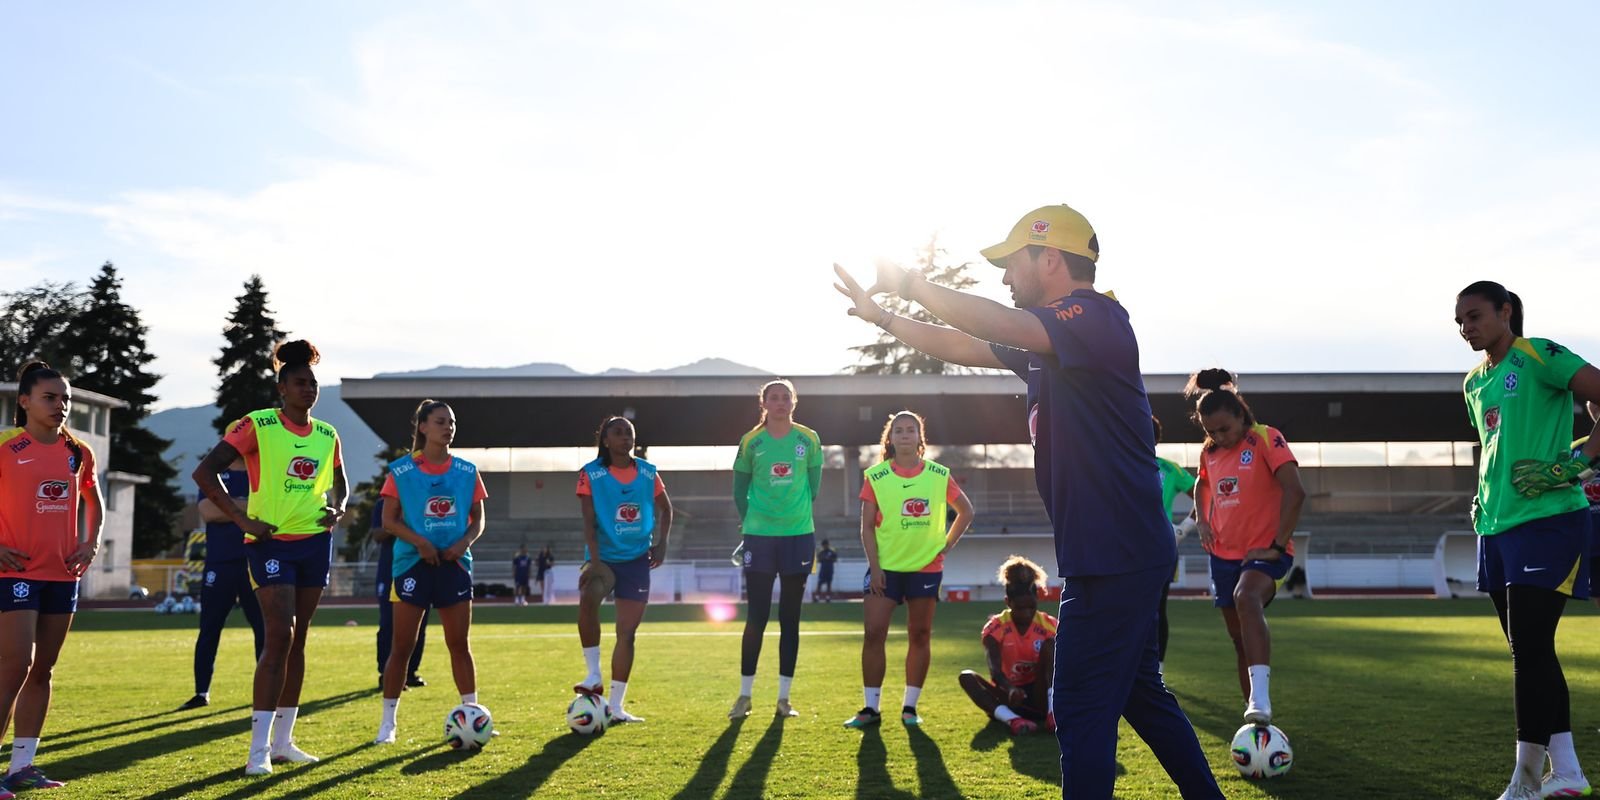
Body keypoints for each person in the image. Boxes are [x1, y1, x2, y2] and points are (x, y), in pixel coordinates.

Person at [834, 204, 1223, 799]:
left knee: (1078, 701)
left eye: (1012, 262)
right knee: (1141, 695)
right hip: (1113, 551)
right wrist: (884, 315)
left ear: (1050, 259)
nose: (1004, 276)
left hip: (1116, 552)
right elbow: (963, 344)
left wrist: (912, 283)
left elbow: (998, 324)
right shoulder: (1053, 347)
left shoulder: (1096, 318)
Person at [1454, 281, 1600, 800]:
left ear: (1505, 311)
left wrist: (1576, 464)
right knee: (1530, 650)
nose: (1466, 328)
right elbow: (1497, 448)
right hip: (1494, 527)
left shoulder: (1540, 354)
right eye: (1460, 322)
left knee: (1530, 651)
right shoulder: (1474, 383)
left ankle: (1524, 780)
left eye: (1474, 316)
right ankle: (1568, 771)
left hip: (1549, 520)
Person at [193, 340, 347, 776]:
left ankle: (284, 743)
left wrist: (339, 506)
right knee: (279, 635)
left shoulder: (326, 434)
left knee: (298, 640)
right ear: (282, 388)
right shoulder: (256, 425)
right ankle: (257, 750)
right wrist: (242, 519)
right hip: (270, 544)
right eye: (299, 383)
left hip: (316, 543)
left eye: (313, 384)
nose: (308, 390)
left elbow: (341, 481)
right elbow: (205, 473)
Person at [0, 362, 103, 793]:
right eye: (50, 397)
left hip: (62, 576)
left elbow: (93, 501)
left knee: (43, 669)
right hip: (14, 573)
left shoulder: (78, 451)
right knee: (15, 667)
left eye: (66, 399)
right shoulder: (6, 447)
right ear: (24, 401)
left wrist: (90, 543)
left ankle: (22, 766)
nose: (60, 406)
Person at [1186, 370, 1305, 726]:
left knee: (1247, 598)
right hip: (1223, 555)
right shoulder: (1209, 453)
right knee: (1238, 640)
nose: (1219, 437)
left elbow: (1295, 492)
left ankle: (1262, 700)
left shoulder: (1266, 438)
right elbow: (1200, 486)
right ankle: (1256, 720)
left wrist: (1276, 545)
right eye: (1211, 432)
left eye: (1225, 428)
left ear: (1241, 414)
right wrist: (1204, 522)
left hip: (1264, 553)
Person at [844, 411, 973, 729]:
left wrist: (947, 544)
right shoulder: (875, 476)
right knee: (874, 634)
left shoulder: (939, 474)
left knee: (920, 634)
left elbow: (966, 511)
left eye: (910, 430)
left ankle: (909, 708)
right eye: (898, 430)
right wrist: (875, 568)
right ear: (890, 438)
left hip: (926, 569)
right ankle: (870, 709)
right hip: (885, 570)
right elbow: (866, 529)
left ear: (919, 437)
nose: (904, 435)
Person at [375, 400, 488, 743]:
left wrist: (464, 543)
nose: (448, 428)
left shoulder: (467, 471)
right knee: (402, 648)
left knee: (459, 644)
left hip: (454, 566)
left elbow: (479, 519)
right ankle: (388, 724)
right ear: (423, 427)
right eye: (440, 421)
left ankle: (473, 716)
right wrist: (420, 543)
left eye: (452, 422)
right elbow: (387, 521)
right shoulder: (401, 471)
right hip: (412, 566)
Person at [728, 379, 822, 720]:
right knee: (756, 617)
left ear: (793, 402)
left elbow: (813, 487)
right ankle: (744, 696)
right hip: (760, 536)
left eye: (786, 397)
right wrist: (752, 520)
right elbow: (740, 488)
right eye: (774, 397)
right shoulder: (751, 442)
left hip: (798, 535)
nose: (780, 402)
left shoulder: (808, 439)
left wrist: (791, 515)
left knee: (790, 618)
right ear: (764, 403)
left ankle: (784, 699)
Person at [574, 416, 673, 723]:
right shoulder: (591, 474)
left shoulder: (648, 471)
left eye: (629, 433)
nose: (625, 438)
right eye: (618, 433)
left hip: (637, 560)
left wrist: (662, 543)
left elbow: (666, 509)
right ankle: (593, 675)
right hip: (604, 557)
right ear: (605, 440)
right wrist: (595, 559)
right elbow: (589, 522)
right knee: (588, 599)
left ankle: (616, 707)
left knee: (626, 635)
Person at [180, 458, 266, 710]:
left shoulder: (261, 474)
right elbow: (207, 511)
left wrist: (227, 507)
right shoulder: (214, 475)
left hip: (254, 563)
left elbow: (265, 510)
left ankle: (263, 691)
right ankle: (201, 692)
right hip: (220, 564)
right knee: (209, 629)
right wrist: (245, 507)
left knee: (263, 630)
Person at [959, 555, 1057, 736]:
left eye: (1031, 607)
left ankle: (1053, 714)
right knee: (966, 677)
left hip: (1040, 693)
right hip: (1010, 695)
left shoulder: (1049, 625)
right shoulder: (996, 627)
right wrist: (1010, 689)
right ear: (1008, 602)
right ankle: (1014, 720)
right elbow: (994, 671)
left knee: (1052, 645)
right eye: (1020, 608)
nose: (1027, 613)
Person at [1152, 416, 1195, 672]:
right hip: (1125, 548)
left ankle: (1157, 670)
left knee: (1157, 608)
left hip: (1160, 548)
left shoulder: (1169, 469)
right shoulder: (1118, 463)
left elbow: (1204, 491)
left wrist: (1183, 528)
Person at [373, 496, 428, 689]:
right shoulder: (385, 502)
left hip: (419, 568)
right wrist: (397, 525)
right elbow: (377, 534)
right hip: (390, 572)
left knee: (419, 624)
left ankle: (410, 672)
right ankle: (386, 673)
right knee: (389, 623)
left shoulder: (422, 499)